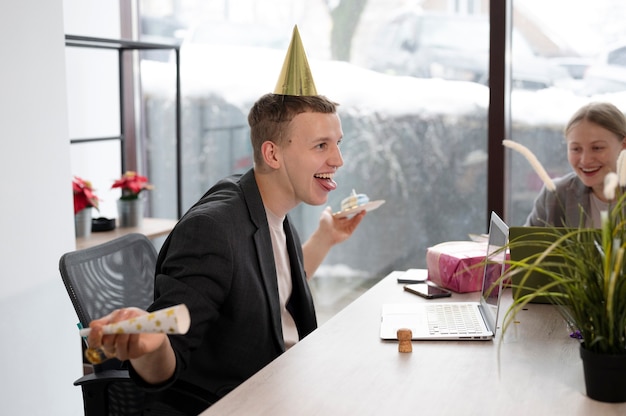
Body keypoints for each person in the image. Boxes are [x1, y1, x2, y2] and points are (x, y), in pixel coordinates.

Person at [85, 26, 366, 415]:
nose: (338, 159)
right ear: (273, 154)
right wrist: (150, 346)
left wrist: (325, 239)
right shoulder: (213, 230)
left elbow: (269, 288)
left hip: (287, 383)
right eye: (321, 145)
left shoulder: (269, 204)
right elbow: (167, 362)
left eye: (338, 143)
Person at [525, 102, 626, 228]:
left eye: (597, 148)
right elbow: (524, 246)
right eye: (576, 149)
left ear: (623, 146)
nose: (585, 160)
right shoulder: (555, 196)